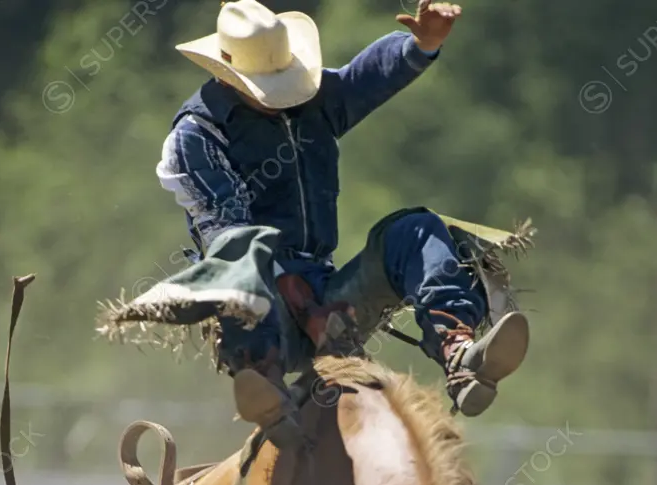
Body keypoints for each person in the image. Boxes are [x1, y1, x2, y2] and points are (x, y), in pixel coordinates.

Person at [157, 0, 529, 439]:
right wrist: (304, 307)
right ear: (225, 71)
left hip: (329, 295)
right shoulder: (196, 137)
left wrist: (419, 45)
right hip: (264, 301)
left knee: (415, 230)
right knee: (241, 272)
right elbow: (231, 237)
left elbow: (362, 78)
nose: (279, 95)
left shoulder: (311, 98)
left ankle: (459, 352)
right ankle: (265, 386)